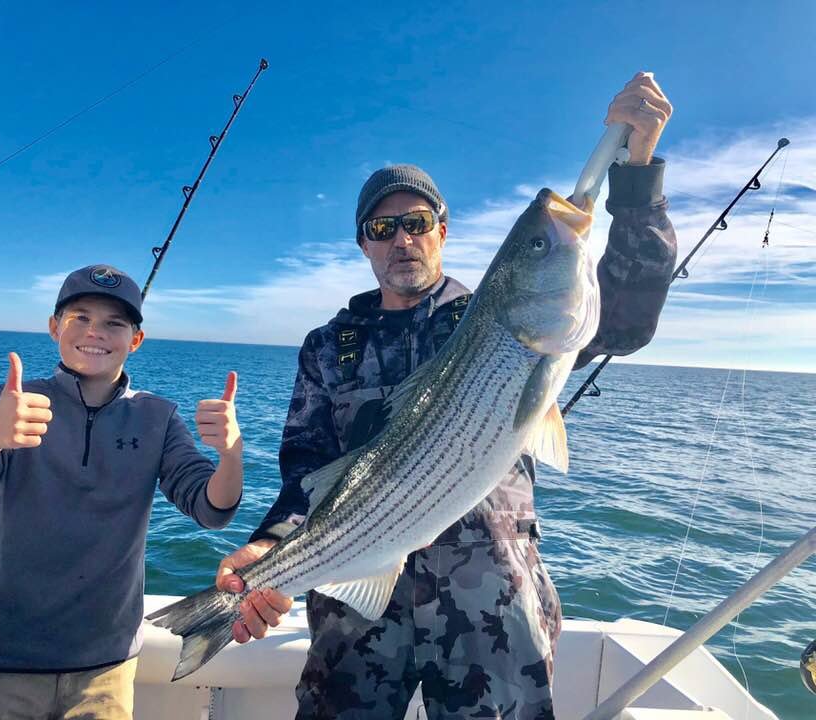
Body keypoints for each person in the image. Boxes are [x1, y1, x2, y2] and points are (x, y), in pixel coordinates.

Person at [215, 72, 677, 719]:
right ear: (364, 244)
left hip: (489, 603)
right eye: (382, 228)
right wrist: (269, 550)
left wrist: (638, 169)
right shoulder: (329, 344)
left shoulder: (489, 318)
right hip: (355, 611)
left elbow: (625, 319)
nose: (401, 239)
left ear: (442, 229)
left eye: (416, 221)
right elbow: (304, 474)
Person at [0, 264, 244, 720]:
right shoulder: (13, 403)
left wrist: (231, 454)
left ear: (136, 340)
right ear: (55, 327)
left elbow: (211, 509)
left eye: (115, 323)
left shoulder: (158, 417)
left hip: (106, 665)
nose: (96, 332)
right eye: (80, 317)